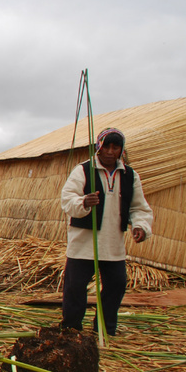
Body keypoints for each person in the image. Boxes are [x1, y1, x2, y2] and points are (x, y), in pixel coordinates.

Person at [60, 127, 152, 336]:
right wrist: (84, 201)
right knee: (75, 288)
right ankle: (71, 330)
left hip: (112, 243)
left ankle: (105, 328)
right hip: (84, 243)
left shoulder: (129, 176)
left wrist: (140, 226)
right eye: (106, 146)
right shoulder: (83, 170)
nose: (111, 151)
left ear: (121, 150)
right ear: (98, 148)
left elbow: (139, 207)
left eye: (115, 147)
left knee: (117, 284)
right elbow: (67, 200)